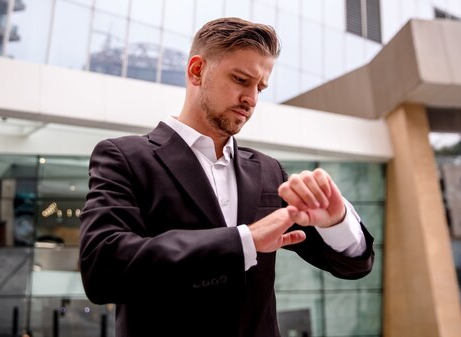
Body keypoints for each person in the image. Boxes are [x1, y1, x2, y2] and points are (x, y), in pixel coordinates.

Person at [79, 17, 375, 337]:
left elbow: (353, 265)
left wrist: (336, 221)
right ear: (197, 71)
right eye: (240, 80)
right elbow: (103, 268)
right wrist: (243, 241)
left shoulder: (269, 171)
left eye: (260, 88)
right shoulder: (124, 158)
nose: (252, 99)